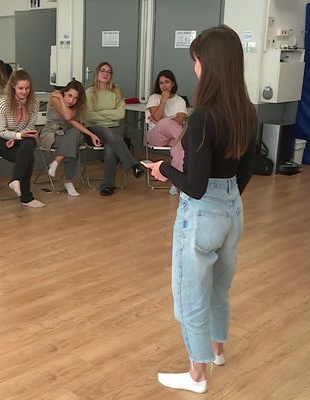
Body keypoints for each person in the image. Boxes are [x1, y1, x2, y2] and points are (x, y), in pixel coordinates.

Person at [144, 25, 257, 394]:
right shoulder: (247, 111)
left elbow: (193, 185)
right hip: (232, 209)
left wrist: (164, 170)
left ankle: (196, 375)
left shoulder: (203, 118)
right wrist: (226, 202)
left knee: (190, 294)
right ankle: (217, 351)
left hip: (201, 213)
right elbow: (244, 173)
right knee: (219, 288)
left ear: (208, 65)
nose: (193, 69)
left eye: (196, 61)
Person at [85, 62, 146, 196]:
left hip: (115, 127)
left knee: (111, 147)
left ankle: (107, 186)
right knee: (109, 134)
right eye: (103, 71)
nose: (105, 74)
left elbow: (120, 114)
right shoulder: (89, 92)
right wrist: (110, 114)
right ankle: (133, 165)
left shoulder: (116, 91)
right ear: (96, 73)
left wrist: (100, 112)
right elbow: (89, 116)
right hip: (94, 129)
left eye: (109, 72)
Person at [40, 80, 102, 197]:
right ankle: (69, 182)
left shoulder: (74, 106)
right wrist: (60, 98)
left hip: (67, 135)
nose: (71, 100)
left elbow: (72, 121)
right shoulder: (55, 98)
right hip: (51, 134)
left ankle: (55, 162)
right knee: (72, 143)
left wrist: (91, 135)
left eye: (75, 98)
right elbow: (68, 116)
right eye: (69, 95)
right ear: (64, 92)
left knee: (73, 136)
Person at [0, 69, 44, 208]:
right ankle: (26, 197)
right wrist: (17, 136)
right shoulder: (3, 102)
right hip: (1, 140)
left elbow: (30, 126)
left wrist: (18, 137)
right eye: (21, 88)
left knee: (30, 142)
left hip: (22, 138)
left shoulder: (34, 102)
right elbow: (1, 131)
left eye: (27, 88)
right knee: (28, 156)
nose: (24, 91)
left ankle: (15, 180)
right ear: (14, 86)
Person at [146, 70, 188, 195]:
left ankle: (176, 184)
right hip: (155, 135)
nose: (164, 85)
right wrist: (163, 101)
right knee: (165, 123)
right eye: (161, 83)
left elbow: (180, 121)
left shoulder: (180, 101)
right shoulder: (154, 98)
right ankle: (189, 143)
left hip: (174, 136)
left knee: (178, 147)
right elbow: (158, 120)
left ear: (173, 83)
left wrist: (161, 119)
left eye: (167, 82)